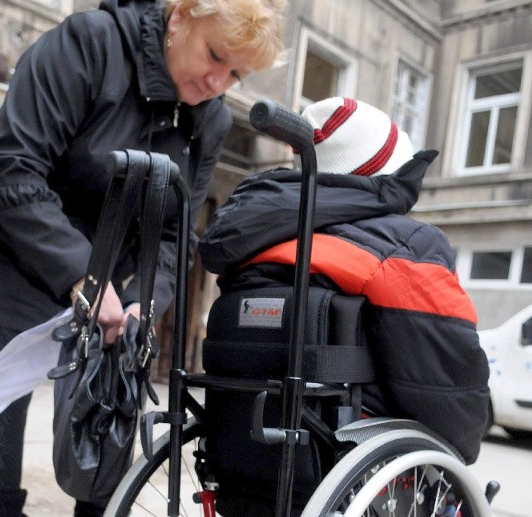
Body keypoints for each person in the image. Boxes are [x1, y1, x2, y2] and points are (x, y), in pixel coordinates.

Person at [0, 0, 285, 515]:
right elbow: (9, 165)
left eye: (237, 74)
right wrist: (81, 276)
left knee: (108, 392)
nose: (219, 82)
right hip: (7, 238)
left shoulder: (208, 120)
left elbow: (175, 234)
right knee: (6, 390)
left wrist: (146, 301)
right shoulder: (88, 45)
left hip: (103, 257)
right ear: (179, 18)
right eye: (215, 56)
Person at [199, 96, 490, 466]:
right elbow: (447, 380)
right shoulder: (404, 245)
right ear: (388, 172)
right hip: (341, 453)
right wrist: (463, 449)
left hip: (241, 451)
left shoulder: (253, 237)